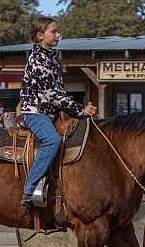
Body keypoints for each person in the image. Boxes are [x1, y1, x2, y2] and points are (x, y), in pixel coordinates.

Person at [19, 16, 97, 207]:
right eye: (53, 31)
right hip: (35, 113)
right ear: (40, 35)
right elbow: (54, 96)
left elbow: (59, 92)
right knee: (52, 140)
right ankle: (29, 190)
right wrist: (81, 110)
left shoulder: (51, 57)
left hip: (50, 112)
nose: (58, 35)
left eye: (57, 31)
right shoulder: (38, 60)